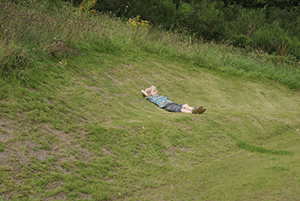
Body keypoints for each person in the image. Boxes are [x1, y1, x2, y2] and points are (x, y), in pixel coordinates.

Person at [141, 86, 206, 114]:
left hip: (171, 103)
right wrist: (147, 92)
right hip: (167, 106)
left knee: (184, 105)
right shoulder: (152, 98)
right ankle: (192, 112)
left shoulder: (160, 96)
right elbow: (143, 91)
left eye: (156, 90)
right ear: (150, 93)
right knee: (181, 109)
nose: (156, 91)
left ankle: (194, 109)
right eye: (154, 91)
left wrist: (152, 88)